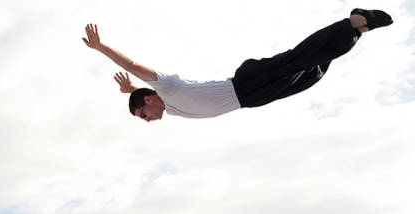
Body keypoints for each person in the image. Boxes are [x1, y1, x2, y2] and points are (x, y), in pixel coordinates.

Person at [82, 9, 393, 121]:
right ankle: (356, 32)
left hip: (246, 84)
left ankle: (353, 23)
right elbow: (140, 90)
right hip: (252, 98)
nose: (146, 120)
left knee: (299, 59)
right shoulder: (170, 108)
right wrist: (130, 91)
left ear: (150, 100)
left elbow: (134, 65)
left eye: (142, 115)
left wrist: (101, 48)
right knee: (309, 76)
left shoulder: (168, 88)